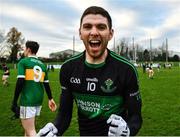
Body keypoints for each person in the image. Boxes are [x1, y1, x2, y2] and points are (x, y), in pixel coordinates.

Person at [37, 6, 142, 136]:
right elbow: (64, 115)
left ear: (110, 34)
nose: (94, 32)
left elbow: (135, 117)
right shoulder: (68, 69)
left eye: (101, 27)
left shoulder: (126, 70)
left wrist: (128, 131)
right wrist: (55, 129)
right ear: (80, 33)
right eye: (87, 27)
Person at [11, 41, 57, 136]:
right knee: (28, 130)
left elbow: (20, 81)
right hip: (38, 100)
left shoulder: (23, 62)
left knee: (31, 131)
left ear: (28, 49)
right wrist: (50, 98)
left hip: (27, 100)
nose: (24, 50)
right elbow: (46, 84)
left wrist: (14, 101)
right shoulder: (42, 65)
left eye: (24, 48)